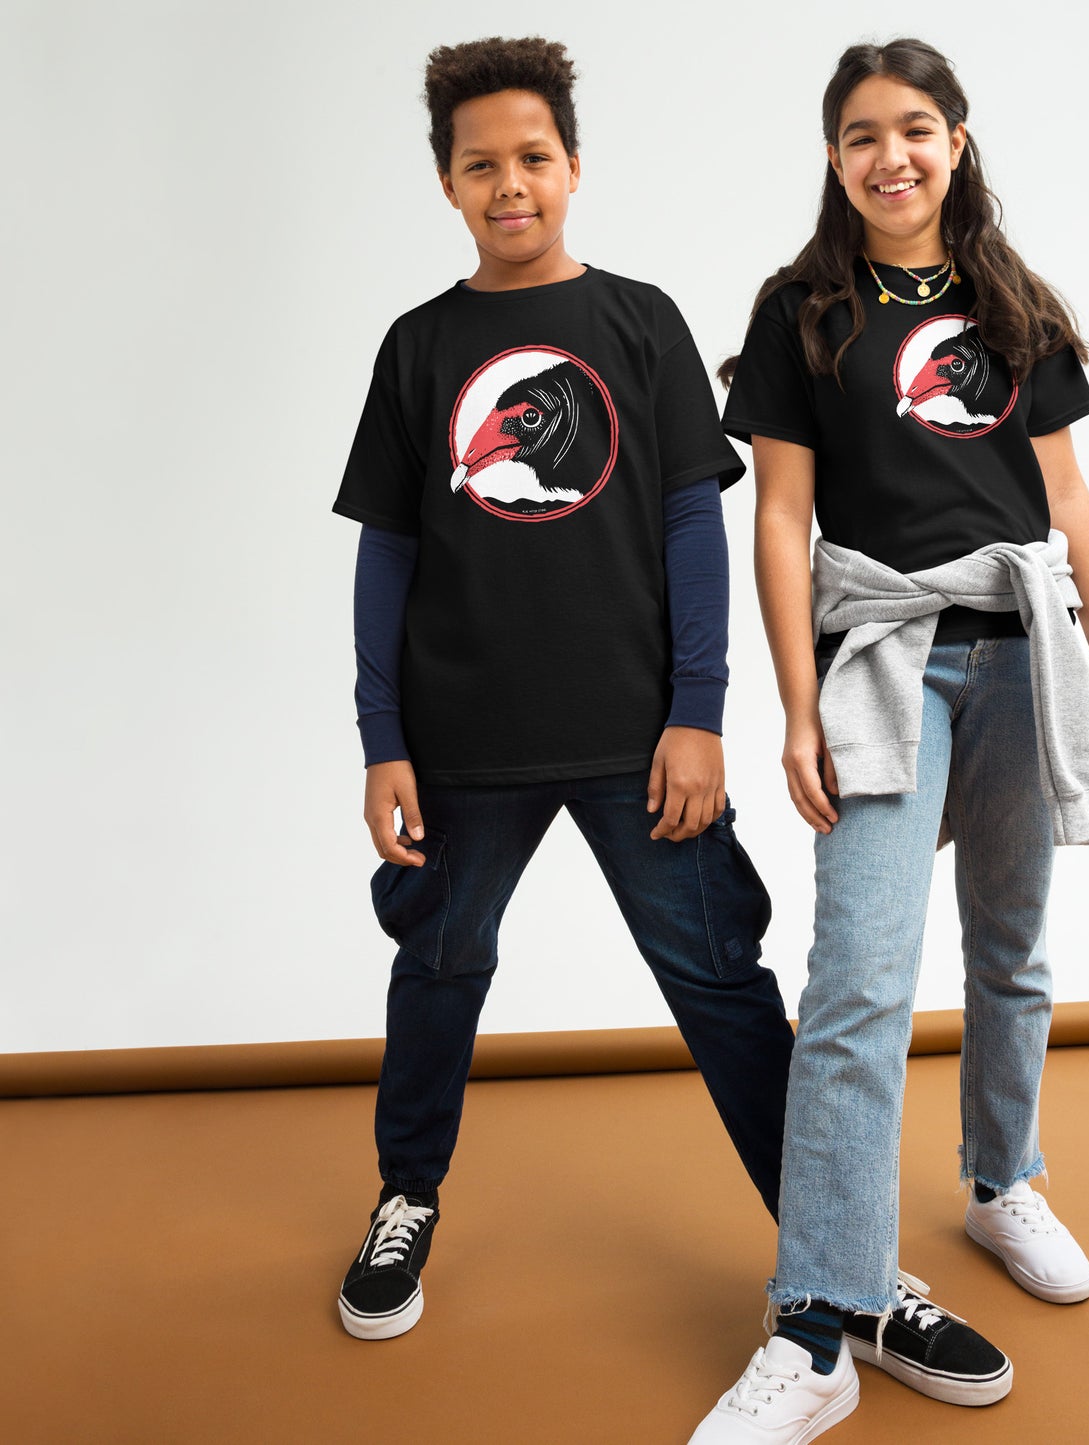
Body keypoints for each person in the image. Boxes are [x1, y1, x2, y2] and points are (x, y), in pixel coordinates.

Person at [329, 40, 1006, 1403]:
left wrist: (696, 716)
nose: (509, 183)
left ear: (571, 168)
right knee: (440, 969)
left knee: (727, 996)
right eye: (480, 164)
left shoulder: (636, 323)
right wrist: (381, 736)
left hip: (644, 747)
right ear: (447, 184)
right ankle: (407, 1192)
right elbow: (388, 554)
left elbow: (695, 533)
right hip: (462, 746)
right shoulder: (419, 348)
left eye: (532, 157)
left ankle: (846, 1270)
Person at [689, 37, 1089, 1443]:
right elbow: (777, 519)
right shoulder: (801, 311)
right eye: (858, 137)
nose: (888, 155)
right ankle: (819, 1320)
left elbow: (1065, 502)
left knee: (1009, 945)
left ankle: (1003, 1179)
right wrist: (789, 703)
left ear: (955, 140)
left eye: (913, 129)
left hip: (1024, 658)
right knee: (857, 985)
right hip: (885, 660)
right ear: (832, 160)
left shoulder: (1014, 304)